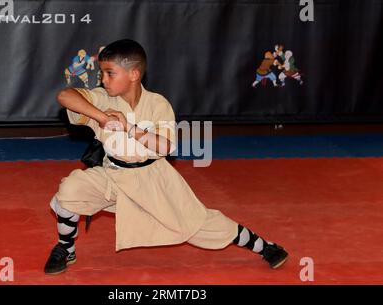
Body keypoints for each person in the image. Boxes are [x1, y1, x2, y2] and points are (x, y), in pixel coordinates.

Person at [44, 39, 289, 274]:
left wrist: (129, 128)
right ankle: (66, 249)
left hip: (154, 179)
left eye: (110, 73)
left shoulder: (158, 104)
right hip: (112, 175)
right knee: (70, 191)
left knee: (199, 225)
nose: (103, 80)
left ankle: (264, 247)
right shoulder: (102, 98)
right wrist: (102, 117)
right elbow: (65, 96)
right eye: (102, 73)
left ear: (133, 74)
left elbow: (164, 147)